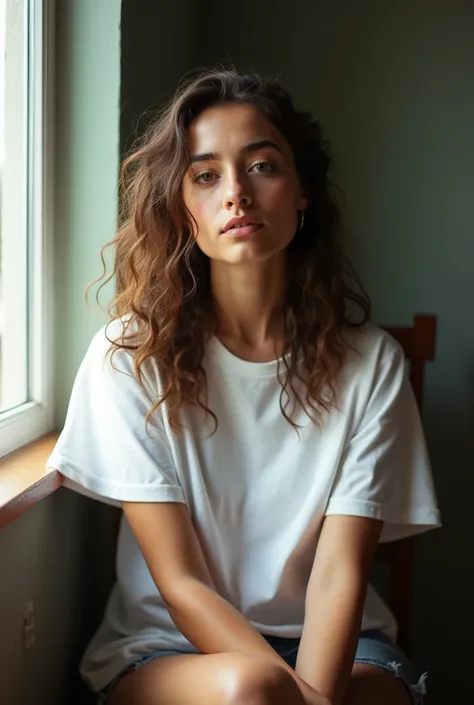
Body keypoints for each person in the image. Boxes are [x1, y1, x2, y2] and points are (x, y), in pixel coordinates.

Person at [47, 69, 441, 705]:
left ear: (302, 190)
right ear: (183, 209)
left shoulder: (371, 364)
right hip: (168, 647)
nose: (236, 193)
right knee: (249, 692)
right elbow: (179, 581)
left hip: (338, 644)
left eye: (261, 165)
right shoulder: (130, 357)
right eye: (206, 175)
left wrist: (309, 694)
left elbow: (339, 575)